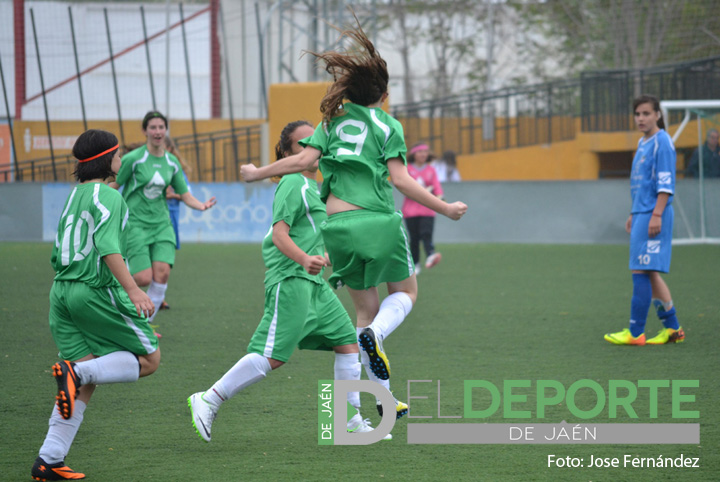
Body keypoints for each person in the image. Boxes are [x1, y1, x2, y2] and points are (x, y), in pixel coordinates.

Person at [240, 19, 467, 417]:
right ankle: (377, 336)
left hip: (337, 230)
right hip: (377, 223)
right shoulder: (388, 125)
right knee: (406, 294)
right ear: (381, 94)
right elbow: (402, 180)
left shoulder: (331, 123)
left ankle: (384, 399)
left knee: (363, 313)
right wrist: (445, 208)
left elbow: (305, 161)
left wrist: (259, 171)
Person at [187, 121, 388, 442]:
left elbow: (316, 235)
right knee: (274, 355)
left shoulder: (317, 188)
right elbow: (279, 234)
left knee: (347, 343)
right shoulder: (293, 182)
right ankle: (209, 397)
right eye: (301, 145)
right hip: (291, 279)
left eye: (314, 143)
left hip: (315, 284)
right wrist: (305, 259)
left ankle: (348, 420)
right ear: (286, 153)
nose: (311, 149)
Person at [31, 129, 160, 481]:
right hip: (91, 291)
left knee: (85, 379)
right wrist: (134, 291)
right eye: (118, 154)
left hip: (61, 292)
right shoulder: (109, 195)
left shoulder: (76, 195)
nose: (121, 160)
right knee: (150, 359)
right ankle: (75, 374)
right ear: (107, 159)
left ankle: (49, 460)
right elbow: (108, 248)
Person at [109, 111, 216, 323]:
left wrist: (200, 205)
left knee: (162, 274)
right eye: (153, 127)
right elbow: (115, 185)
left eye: (161, 127)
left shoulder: (172, 162)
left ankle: (143, 325)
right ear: (145, 131)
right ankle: (110, 292)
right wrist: (96, 197)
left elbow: (184, 194)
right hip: (136, 224)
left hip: (162, 225)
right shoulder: (133, 159)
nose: (157, 132)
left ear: (165, 131)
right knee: (142, 277)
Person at [604, 94, 684, 346]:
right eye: (637, 114)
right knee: (648, 272)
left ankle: (635, 332)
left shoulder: (662, 142)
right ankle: (673, 330)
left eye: (646, 113)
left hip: (654, 214)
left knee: (640, 270)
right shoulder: (643, 142)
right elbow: (643, 184)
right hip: (642, 213)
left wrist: (656, 214)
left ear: (657, 115)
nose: (641, 118)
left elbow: (665, 183)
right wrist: (634, 212)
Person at [161, 136, 193, 310]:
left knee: (165, 259)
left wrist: (171, 195)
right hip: (151, 217)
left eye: (168, 150)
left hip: (171, 216)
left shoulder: (175, 170)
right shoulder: (147, 167)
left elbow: (187, 193)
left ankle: (159, 296)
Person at [402, 143, 444, 274]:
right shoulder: (407, 169)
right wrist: (421, 192)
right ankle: (415, 264)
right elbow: (404, 186)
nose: (423, 154)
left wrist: (440, 198)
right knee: (414, 239)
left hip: (427, 210)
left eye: (425, 152)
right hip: (410, 211)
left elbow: (437, 187)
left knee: (426, 233)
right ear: (414, 154)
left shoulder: (431, 170)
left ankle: (430, 254)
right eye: (420, 152)